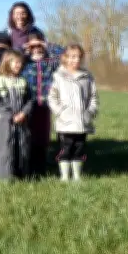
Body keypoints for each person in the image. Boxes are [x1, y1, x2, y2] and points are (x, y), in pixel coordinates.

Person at [48, 44, 98, 182]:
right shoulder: (58, 76)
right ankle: (64, 176)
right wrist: (60, 112)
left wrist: (90, 112)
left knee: (79, 149)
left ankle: (76, 176)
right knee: (65, 149)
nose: (75, 60)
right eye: (72, 57)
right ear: (65, 58)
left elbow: (93, 97)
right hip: (65, 122)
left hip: (82, 121)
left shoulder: (87, 77)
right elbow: (52, 97)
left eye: (78, 57)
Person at [0, 50, 33, 180]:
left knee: (22, 146)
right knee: (6, 148)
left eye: (20, 62)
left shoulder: (23, 81)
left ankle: (22, 174)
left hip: (22, 121)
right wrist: (10, 116)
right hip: (4, 122)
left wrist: (24, 113)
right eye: (15, 62)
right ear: (7, 62)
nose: (18, 65)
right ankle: (6, 177)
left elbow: (30, 100)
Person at [21, 35, 59, 176]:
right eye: (33, 47)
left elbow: (63, 54)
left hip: (44, 106)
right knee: (28, 136)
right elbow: (11, 56)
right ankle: (29, 168)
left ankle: (41, 167)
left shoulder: (49, 63)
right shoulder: (25, 63)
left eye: (39, 47)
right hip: (28, 106)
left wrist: (45, 43)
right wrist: (25, 46)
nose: (36, 49)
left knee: (42, 137)